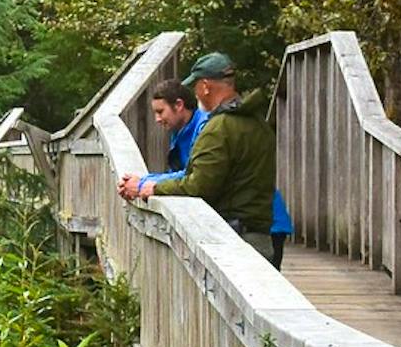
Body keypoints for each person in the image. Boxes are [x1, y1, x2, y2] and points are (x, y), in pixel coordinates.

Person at [119, 50, 283, 264]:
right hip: (261, 237)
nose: (195, 94)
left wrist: (154, 188)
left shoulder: (219, 128)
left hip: (235, 240)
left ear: (205, 86)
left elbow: (200, 185)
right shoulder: (257, 122)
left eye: (195, 86)